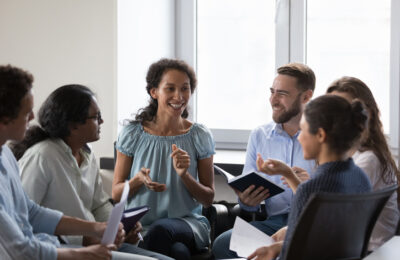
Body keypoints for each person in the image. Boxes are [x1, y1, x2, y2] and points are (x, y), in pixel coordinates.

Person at [10, 84, 171, 260]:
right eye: (96, 117)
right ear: (73, 124)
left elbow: (99, 204)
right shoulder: (42, 156)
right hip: (60, 249)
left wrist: (120, 227)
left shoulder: (87, 155)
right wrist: (83, 239)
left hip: (95, 242)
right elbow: (25, 218)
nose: (101, 122)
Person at [0, 64, 131, 260]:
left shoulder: (6, 155)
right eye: (27, 111)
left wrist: (96, 228)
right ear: (4, 117)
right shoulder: (41, 156)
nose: (34, 117)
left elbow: (31, 211)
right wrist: (81, 253)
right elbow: (19, 251)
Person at [112, 58, 215, 260]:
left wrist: (184, 175)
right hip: (139, 227)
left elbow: (208, 198)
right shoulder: (132, 134)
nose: (179, 96)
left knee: (162, 230)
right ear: (154, 92)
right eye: (170, 89)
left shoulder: (199, 135)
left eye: (185, 89)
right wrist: (137, 181)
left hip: (187, 224)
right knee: (178, 253)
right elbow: (116, 194)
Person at [249, 94, 372, 260]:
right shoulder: (360, 178)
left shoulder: (311, 189)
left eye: (303, 130)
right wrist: (279, 247)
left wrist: (278, 251)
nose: (299, 137)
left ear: (320, 135)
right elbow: (329, 241)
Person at [212, 63, 316, 259]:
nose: (273, 100)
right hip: (273, 223)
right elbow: (249, 206)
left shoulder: (321, 136)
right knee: (222, 244)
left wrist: (309, 183)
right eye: (272, 92)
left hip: (309, 224)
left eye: (282, 94)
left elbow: (333, 201)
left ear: (306, 96)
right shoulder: (260, 135)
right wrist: (246, 201)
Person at [326, 76, 400, 250]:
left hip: (367, 249)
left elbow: (329, 216)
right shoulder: (352, 155)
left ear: (366, 114)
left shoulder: (369, 160)